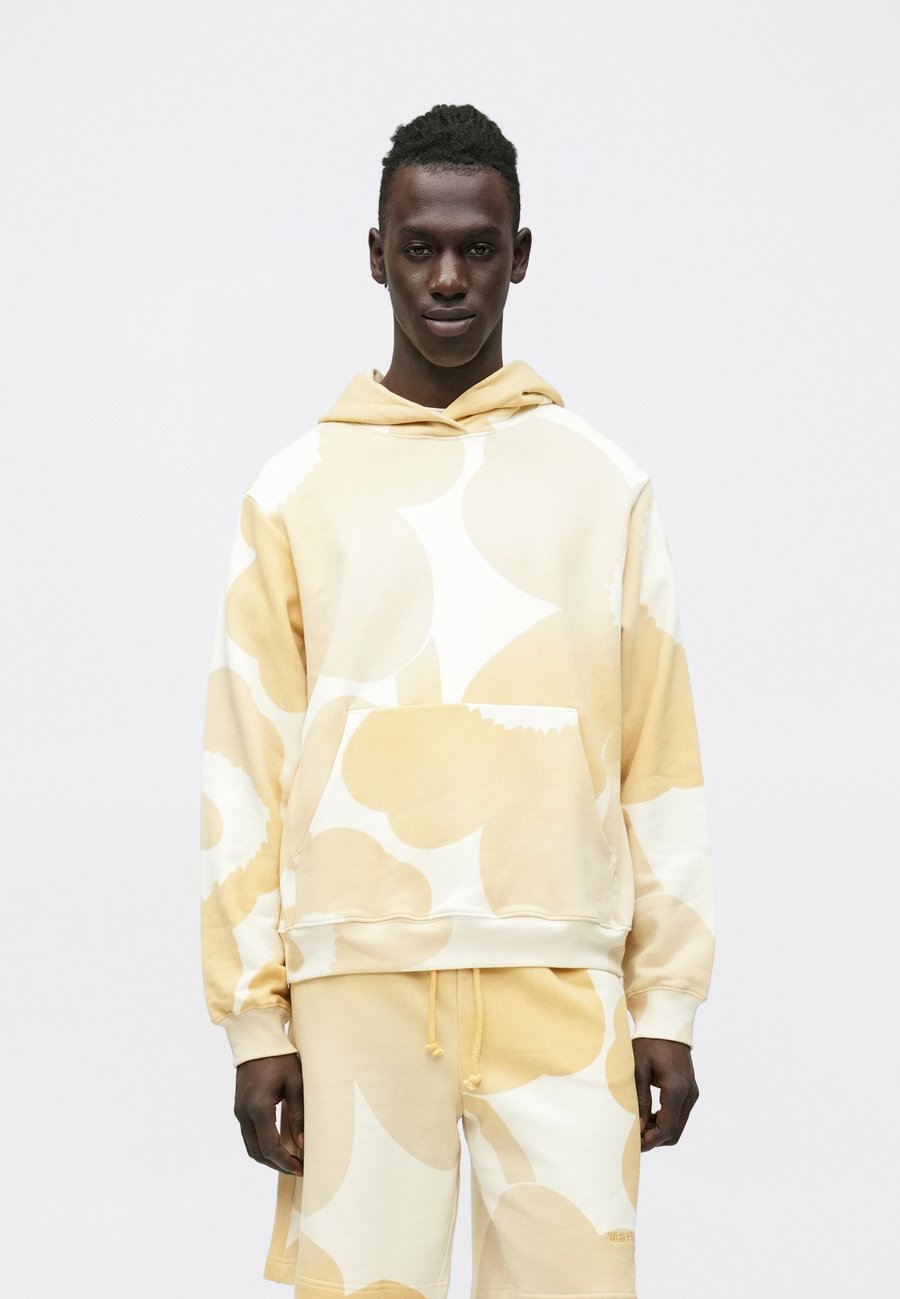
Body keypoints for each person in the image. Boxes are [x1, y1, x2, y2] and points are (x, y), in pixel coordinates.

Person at [199, 103, 715, 1299]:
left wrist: (669, 1002)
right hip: (355, 984)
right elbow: (247, 763)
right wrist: (256, 1022)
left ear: (518, 255)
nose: (446, 279)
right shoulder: (295, 490)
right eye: (419, 247)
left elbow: (660, 753)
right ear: (375, 254)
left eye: (477, 248)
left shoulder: (603, 484)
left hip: (562, 978)